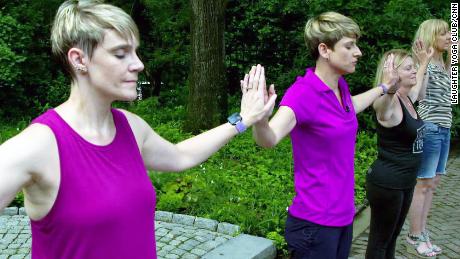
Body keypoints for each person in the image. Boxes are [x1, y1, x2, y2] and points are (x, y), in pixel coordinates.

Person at [0, 1, 275, 258]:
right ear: (78, 59)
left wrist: (244, 119)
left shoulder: (130, 127)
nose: (139, 64)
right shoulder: (38, 145)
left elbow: (180, 156)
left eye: (135, 51)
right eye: (121, 53)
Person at [252, 12, 398, 258]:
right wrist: (260, 120)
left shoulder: (338, 86)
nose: (358, 52)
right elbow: (269, 138)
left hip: (342, 218)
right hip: (315, 226)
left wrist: (384, 88)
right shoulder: (303, 93)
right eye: (349, 46)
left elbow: (350, 107)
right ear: (324, 49)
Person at [365, 46, 433, 258]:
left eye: (413, 68)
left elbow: (420, 83)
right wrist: (389, 87)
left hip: (405, 182)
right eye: (407, 68)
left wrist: (424, 63)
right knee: (380, 241)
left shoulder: (407, 99)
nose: (413, 72)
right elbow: (380, 108)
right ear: (393, 74)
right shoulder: (391, 103)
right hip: (388, 184)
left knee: (392, 238)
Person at [407, 19, 452, 257]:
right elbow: (419, 96)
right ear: (432, 36)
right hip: (431, 127)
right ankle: (414, 235)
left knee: (431, 185)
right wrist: (423, 63)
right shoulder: (422, 64)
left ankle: (423, 232)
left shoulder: (442, 64)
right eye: (443, 33)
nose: (449, 37)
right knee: (423, 185)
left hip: (444, 128)